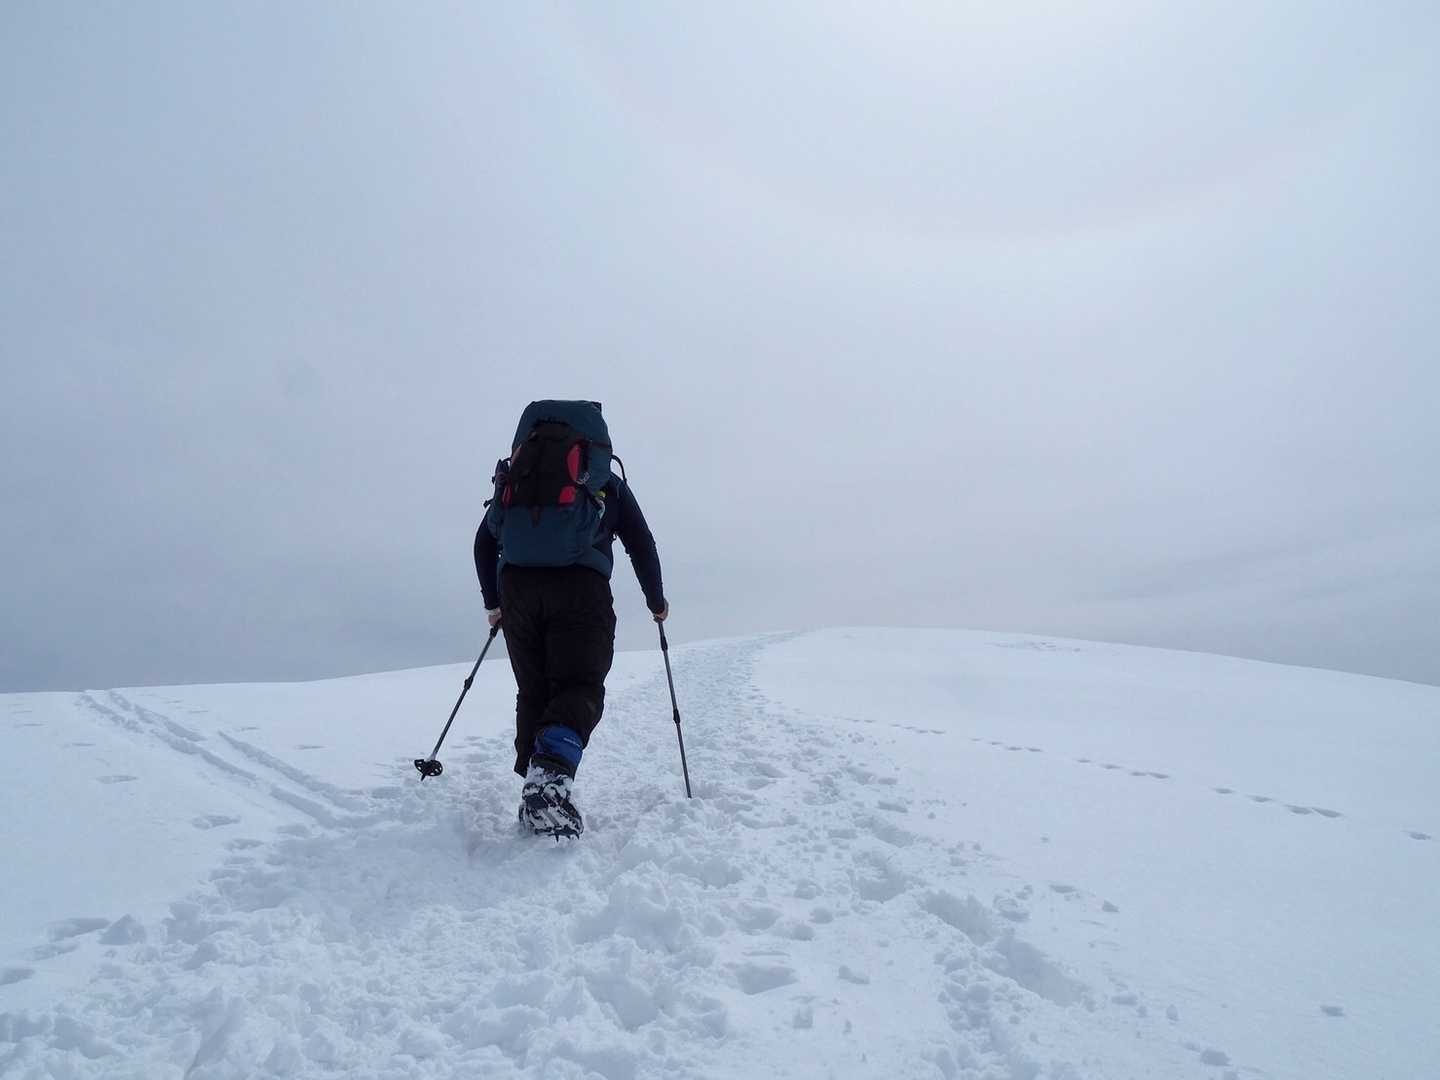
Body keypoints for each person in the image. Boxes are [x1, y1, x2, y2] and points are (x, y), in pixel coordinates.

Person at [474, 400, 668, 838]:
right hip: (581, 588)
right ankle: (547, 782)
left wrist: (494, 604)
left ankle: (537, 786)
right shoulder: (604, 484)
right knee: (580, 685)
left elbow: (484, 543)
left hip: (518, 590)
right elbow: (641, 542)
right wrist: (656, 601)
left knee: (535, 690)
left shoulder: (516, 483)